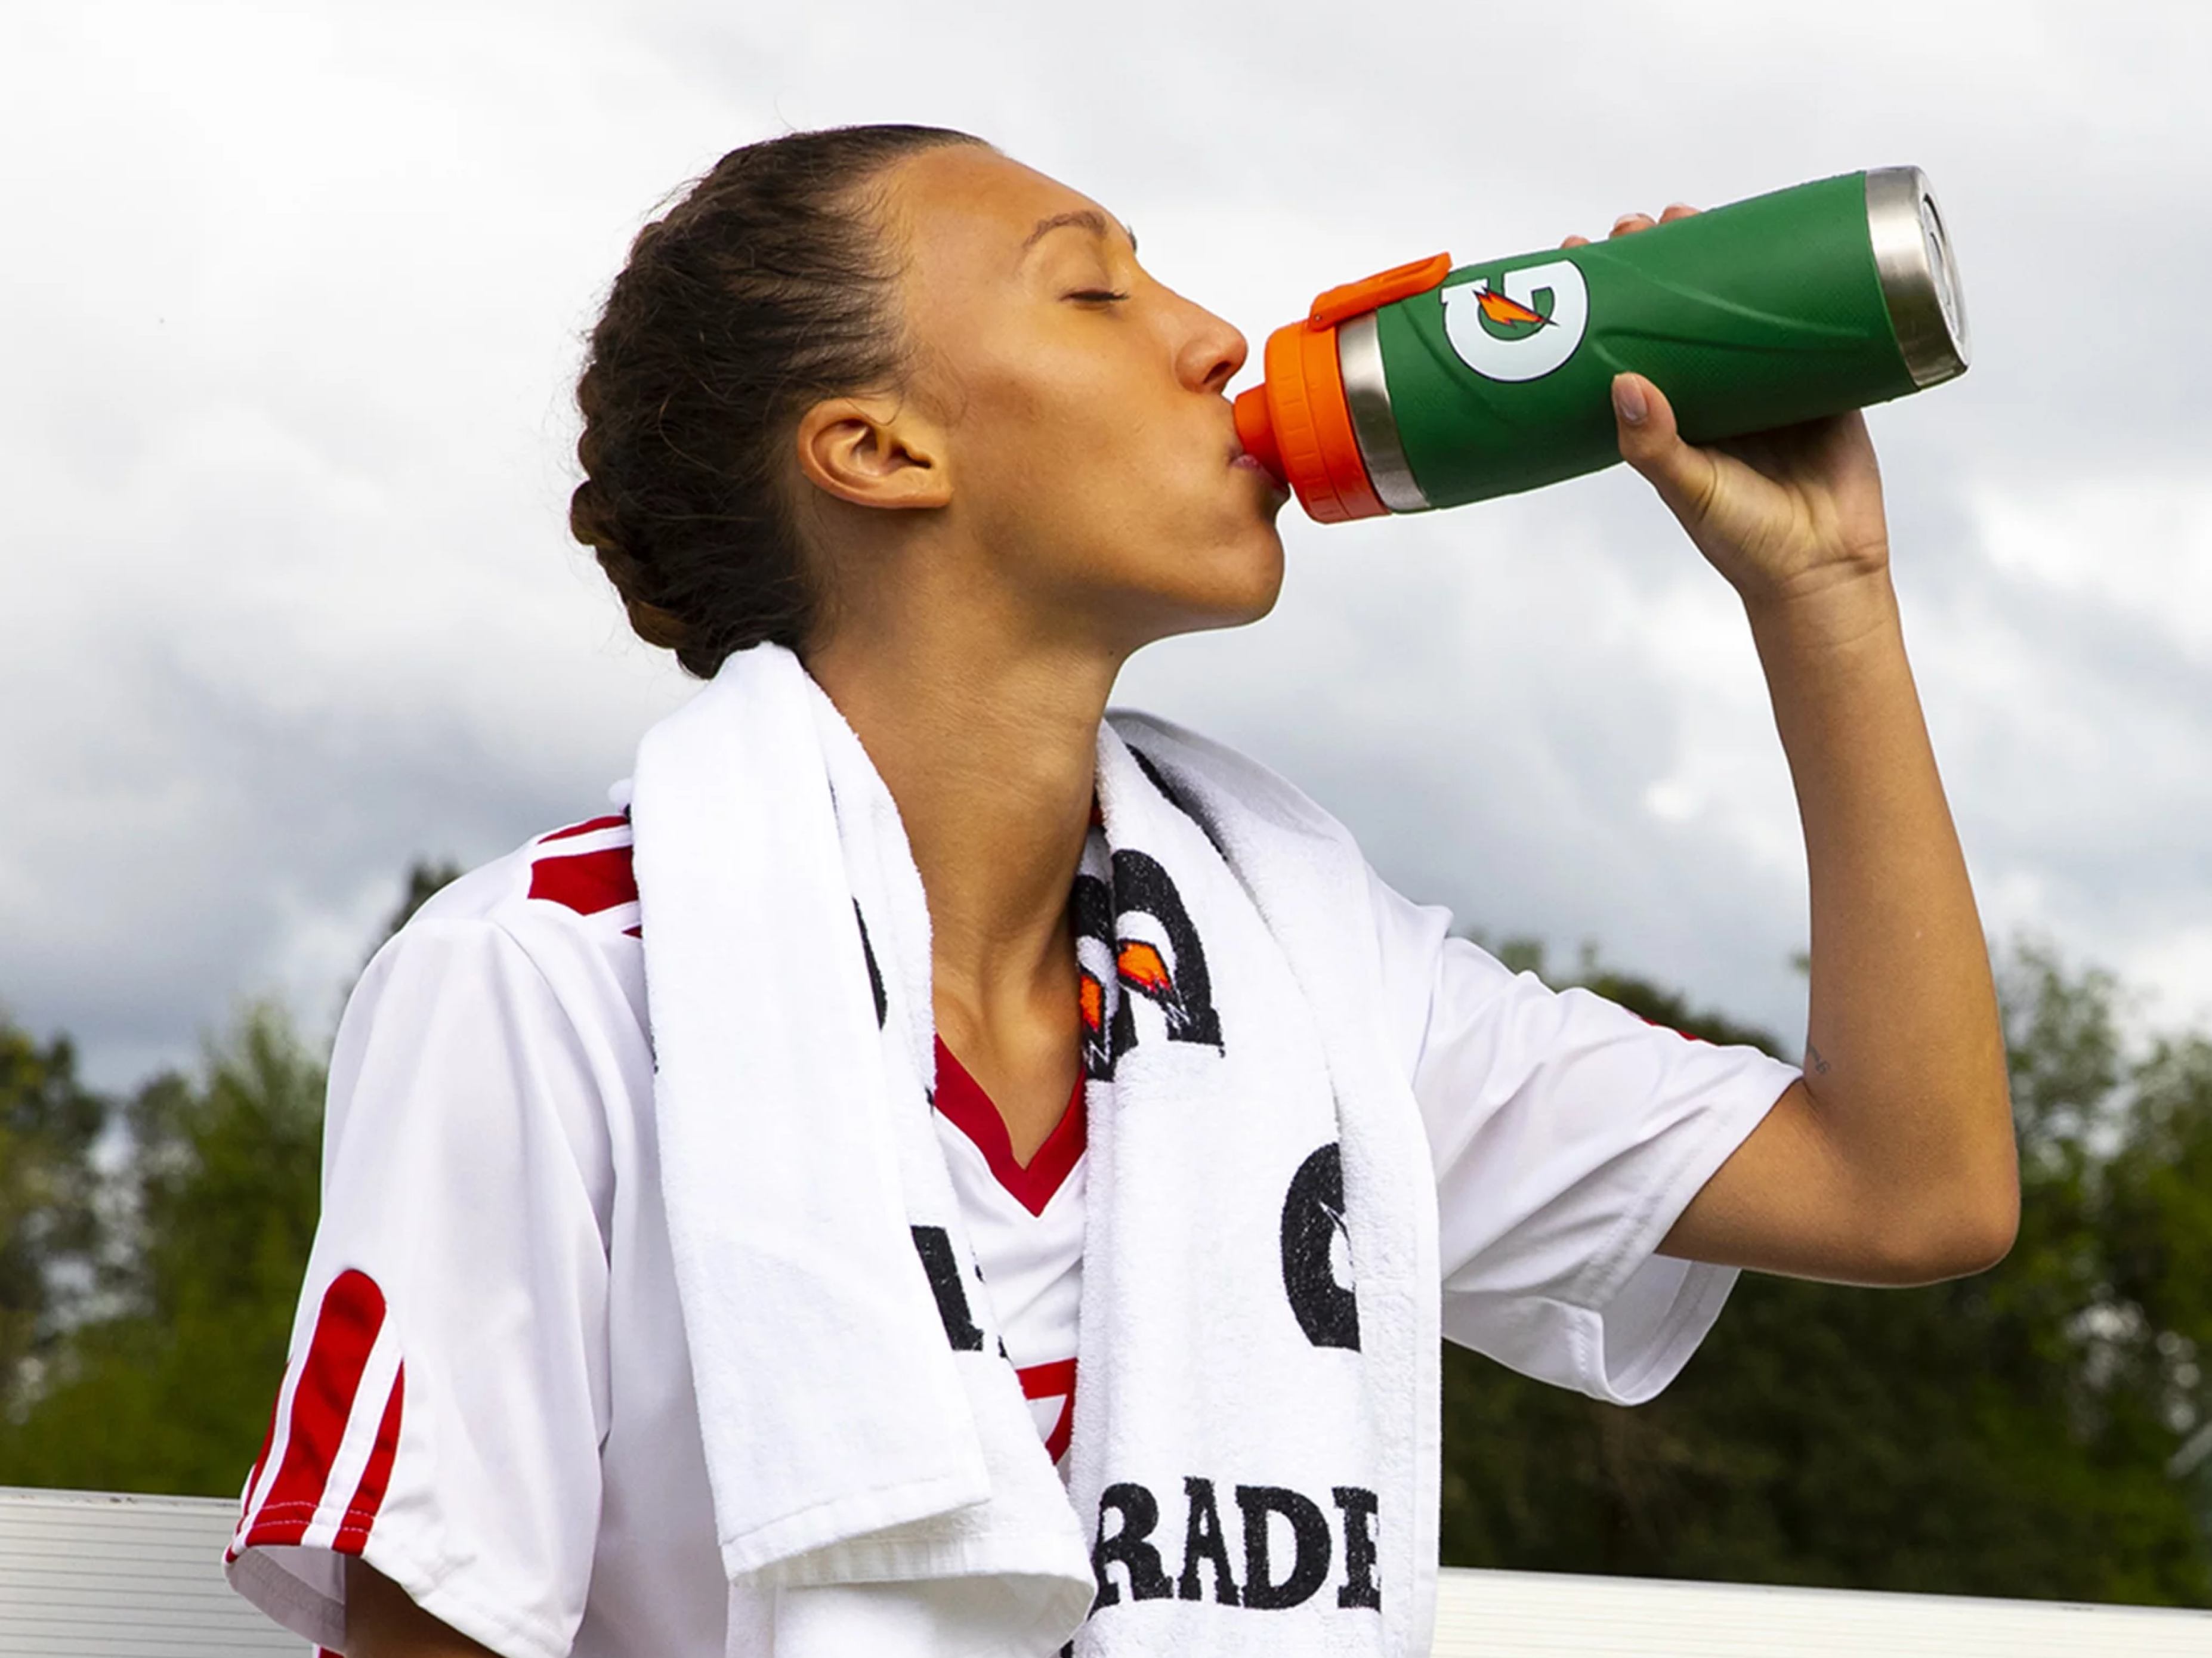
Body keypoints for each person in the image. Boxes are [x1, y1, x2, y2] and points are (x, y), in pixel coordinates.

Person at [222, 125, 2018, 1658]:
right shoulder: (547, 988)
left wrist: (1823, 591)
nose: (1215, 338)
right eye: (1092, 291)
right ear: (877, 449)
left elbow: (1910, 1183)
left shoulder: (1305, 977)